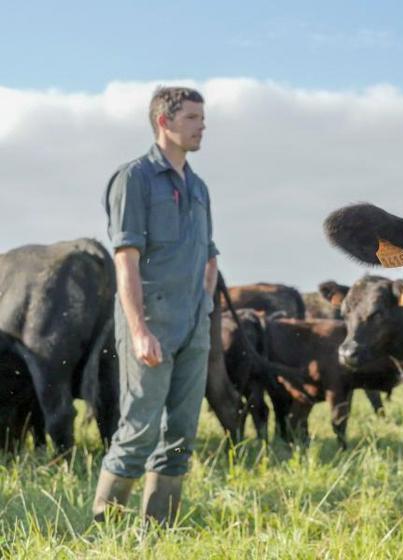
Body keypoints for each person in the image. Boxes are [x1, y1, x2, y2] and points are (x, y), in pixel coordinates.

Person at [93, 86, 219, 526]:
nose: (202, 125)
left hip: (193, 327)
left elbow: (210, 254)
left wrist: (204, 306)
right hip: (151, 324)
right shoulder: (134, 179)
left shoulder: (199, 186)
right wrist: (140, 329)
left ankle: (158, 531)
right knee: (139, 429)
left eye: (202, 118)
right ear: (164, 122)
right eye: (192, 118)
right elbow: (125, 261)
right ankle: (104, 532)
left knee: (182, 432)